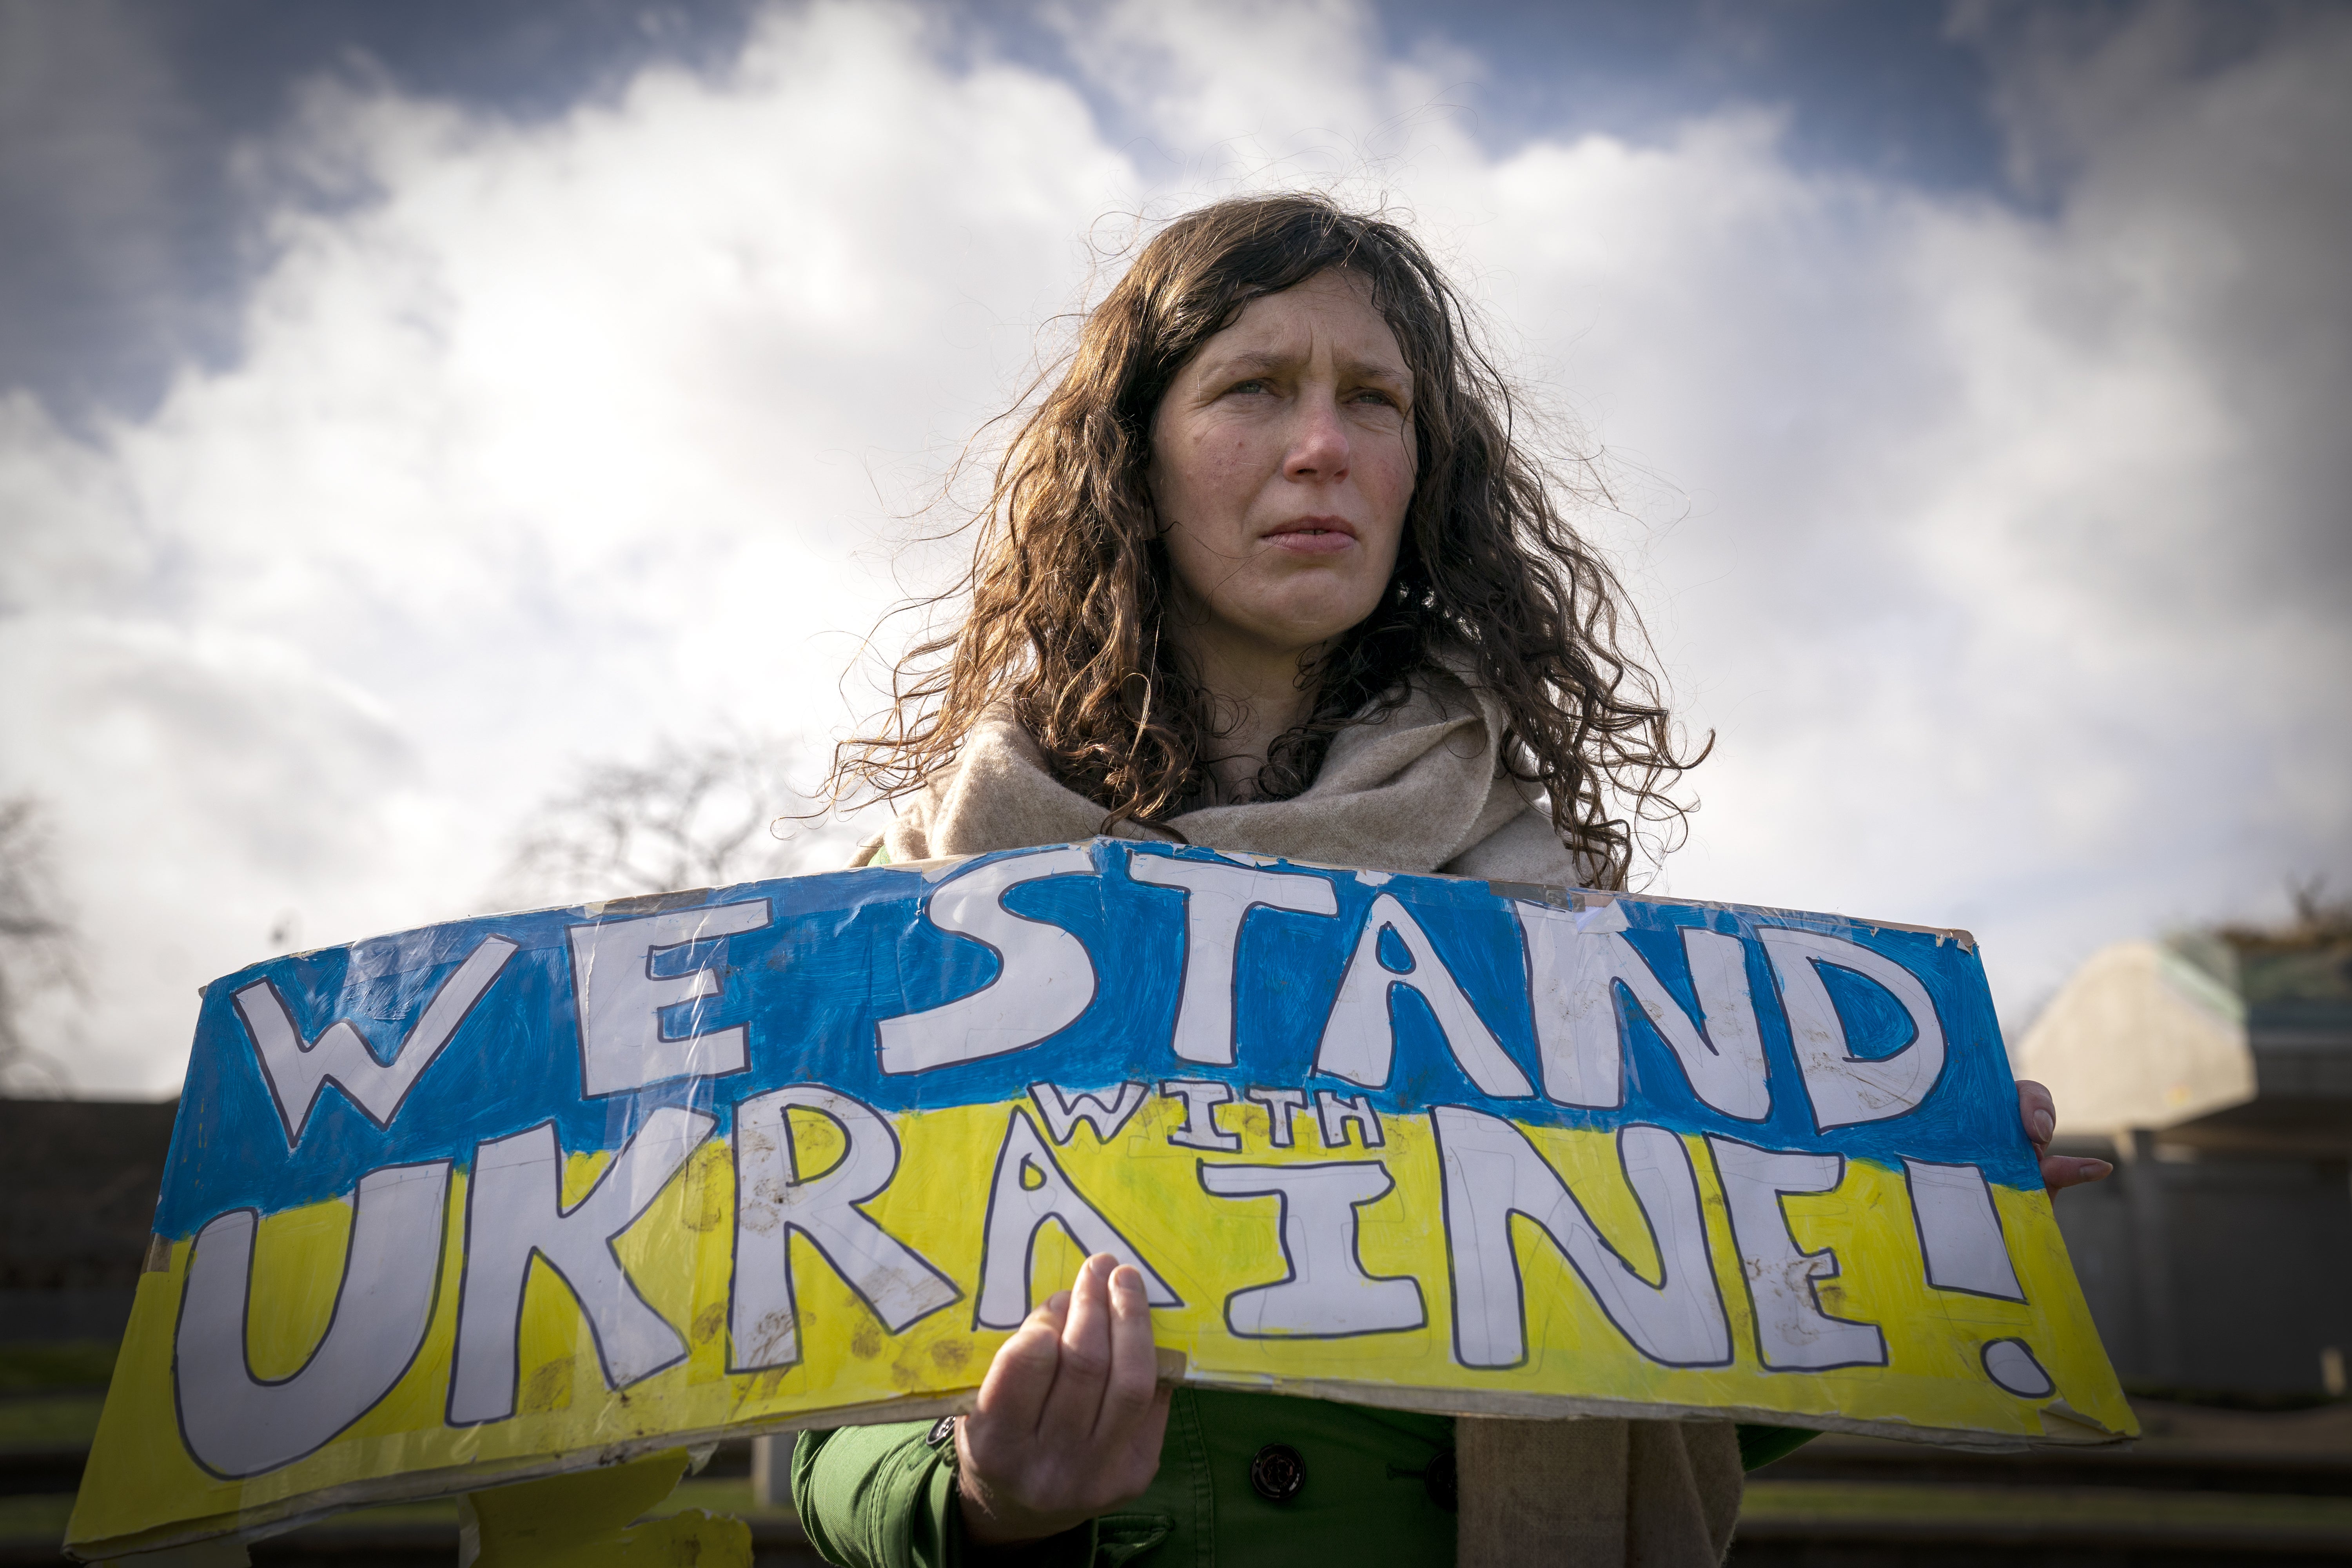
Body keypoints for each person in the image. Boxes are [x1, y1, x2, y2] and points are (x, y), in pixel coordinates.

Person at [792, 193, 2111, 1567]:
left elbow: (1682, 1393)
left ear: (1425, 469)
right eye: (1253, 387)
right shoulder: (930, 902)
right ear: (1134, 456)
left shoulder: (1563, 927)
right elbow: (822, 1449)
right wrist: (988, 1496)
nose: (1323, 448)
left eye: (1375, 401)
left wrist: (1893, 1243)